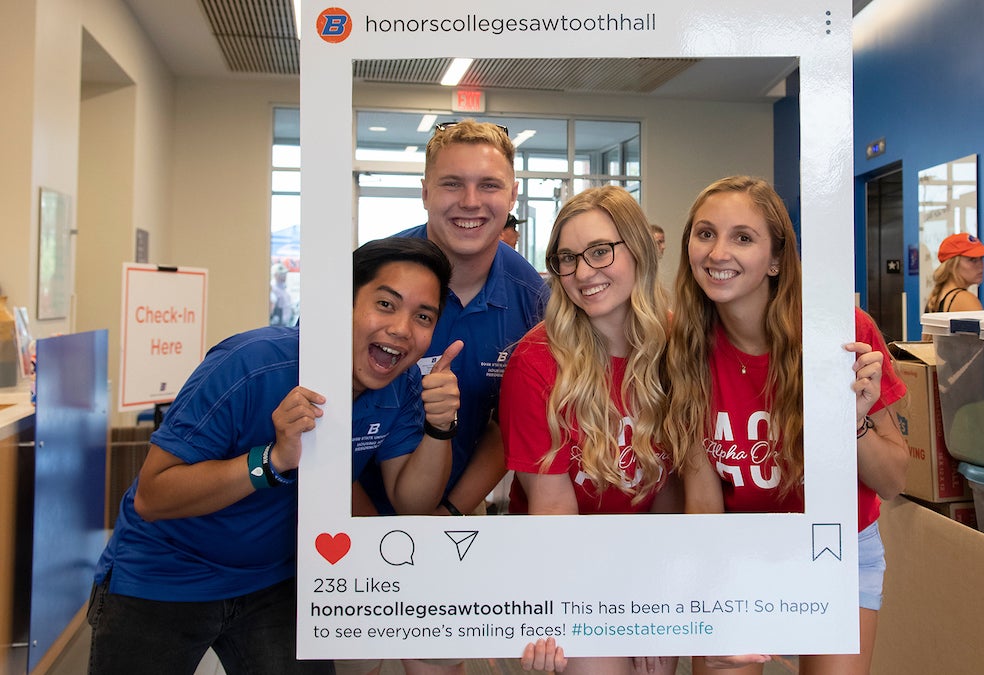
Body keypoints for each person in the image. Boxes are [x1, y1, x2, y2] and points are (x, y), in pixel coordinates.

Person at [87, 238, 461, 675]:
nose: (401, 328)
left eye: (423, 317)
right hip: (166, 574)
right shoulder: (251, 363)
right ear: (342, 304)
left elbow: (411, 503)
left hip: (278, 582)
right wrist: (272, 461)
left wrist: (440, 427)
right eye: (385, 303)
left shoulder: (401, 387)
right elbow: (153, 496)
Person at [663, 176, 909, 675]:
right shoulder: (683, 347)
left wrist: (853, 424)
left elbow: (893, 481)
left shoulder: (840, 331)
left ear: (776, 259)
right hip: (737, 549)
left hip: (837, 547)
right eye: (705, 233)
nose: (718, 252)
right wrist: (711, 600)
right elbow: (704, 499)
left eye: (743, 238)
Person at [349, 120, 546, 675]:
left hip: (456, 504)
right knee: (354, 663)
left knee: (438, 662)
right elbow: (320, 414)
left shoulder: (532, 298)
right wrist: (376, 536)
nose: (470, 202)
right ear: (425, 191)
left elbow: (510, 428)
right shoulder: (373, 275)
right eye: (451, 184)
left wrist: (450, 515)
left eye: (489, 185)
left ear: (511, 196)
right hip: (349, 504)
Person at [502, 185, 680, 674]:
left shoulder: (676, 349)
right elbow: (553, 507)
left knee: (655, 664)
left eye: (601, 251)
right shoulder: (536, 362)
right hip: (564, 556)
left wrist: (655, 606)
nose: (583, 273)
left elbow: (670, 490)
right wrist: (553, 610)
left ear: (639, 250)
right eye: (568, 258)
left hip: (643, 556)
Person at [924, 232, 984, 313]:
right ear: (952, 265)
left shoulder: (939, 296)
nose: (981, 265)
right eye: (973, 260)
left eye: (981, 258)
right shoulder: (964, 300)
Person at [270, 261, 296, 326]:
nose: (284, 276)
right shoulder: (273, 289)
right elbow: (271, 309)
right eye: (282, 274)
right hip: (278, 325)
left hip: (287, 324)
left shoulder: (284, 288)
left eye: (285, 274)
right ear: (275, 275)